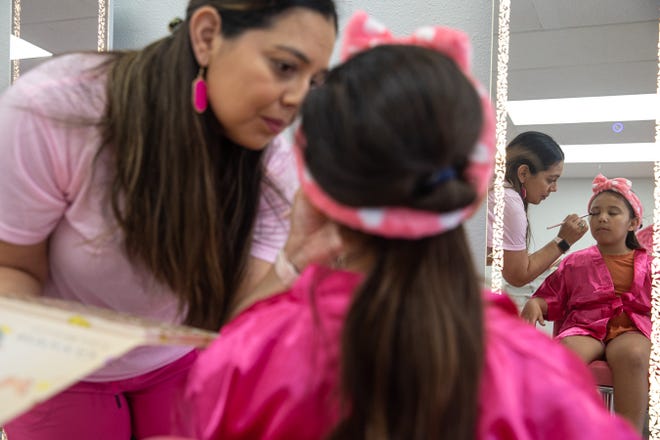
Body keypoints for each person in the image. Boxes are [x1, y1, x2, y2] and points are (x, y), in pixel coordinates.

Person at [177, 12, 639, 439]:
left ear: (316, 189)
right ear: (476, 190)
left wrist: (289, 259)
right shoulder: (541, 377)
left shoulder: (244, 358)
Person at [0, 1, 339, 438]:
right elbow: (13, 268)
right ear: (206, 35)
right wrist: (27, 361)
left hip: (178, 356)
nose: (297, 99)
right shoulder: (54, 111)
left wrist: (296, 261)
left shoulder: (268, 161)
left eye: (314, 81)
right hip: (60, 367)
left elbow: (235, 321)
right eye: (284, 66)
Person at [521, 174, 650, 432]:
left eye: (613, 213)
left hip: (631, 328)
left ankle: (628, 434)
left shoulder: (650, 264)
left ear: (633, 222)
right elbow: (552, 295)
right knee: (563, 354)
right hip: (586, 327)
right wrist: (536, 304)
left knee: (634, 355)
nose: (602, 218)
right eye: (595, 213)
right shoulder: (574, 261)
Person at [486, 131, 588, 287]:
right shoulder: (508, 201)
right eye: (550, 180)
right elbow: (517, 276)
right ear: (523, 173)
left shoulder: (494, 189)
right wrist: (563, 240)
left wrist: (536, 261)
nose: (554, 188)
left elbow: (484, 254)